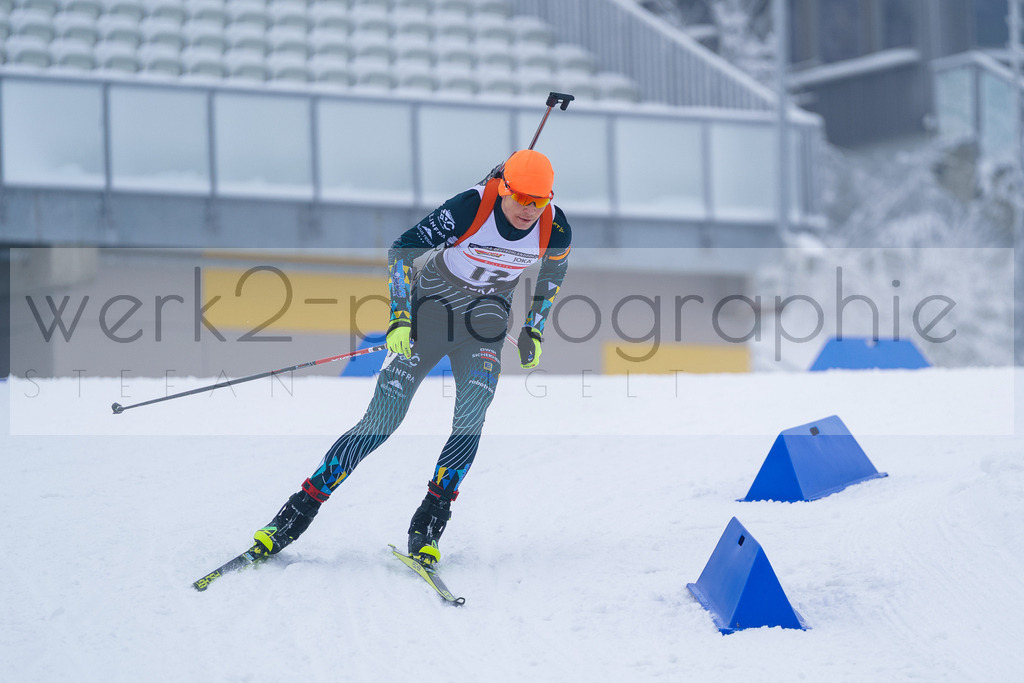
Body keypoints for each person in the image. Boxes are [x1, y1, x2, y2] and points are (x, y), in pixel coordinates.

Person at [250, 149, 572, 565]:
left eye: (539, 201)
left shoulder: (555, 225)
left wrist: (534, 327)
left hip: (485, 325)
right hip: (432, 313)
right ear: (503, 187)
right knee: (382, 421)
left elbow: (554, 273)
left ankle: (429, 525)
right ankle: (294, 514)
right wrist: (401, 318)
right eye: (522, 199)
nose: (530, 210)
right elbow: (402, 250)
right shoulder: (470, 206)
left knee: (470, 420)